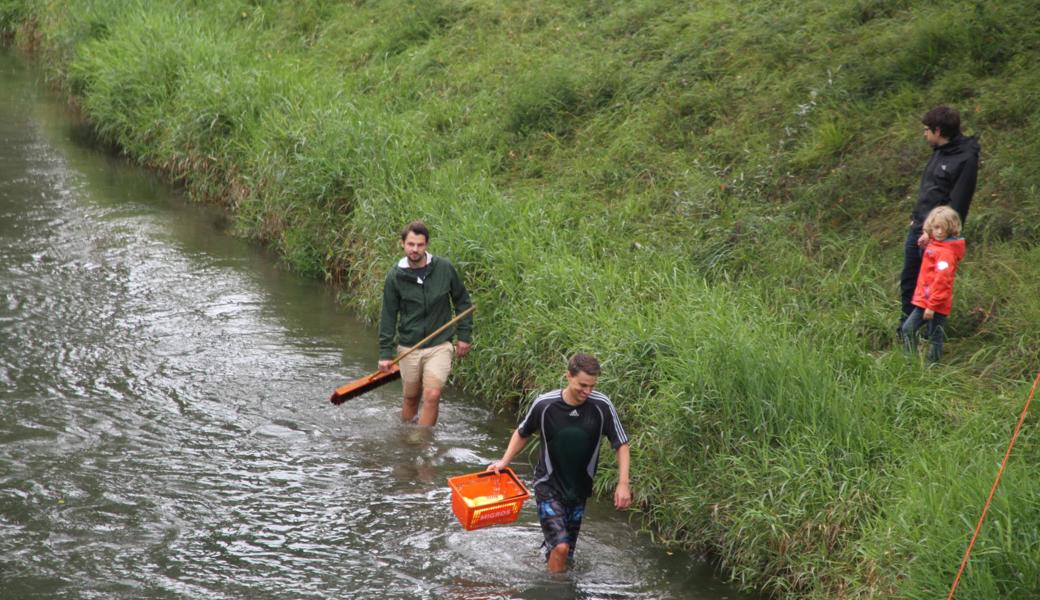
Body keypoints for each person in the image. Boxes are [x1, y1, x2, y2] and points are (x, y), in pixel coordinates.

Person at [487, 353, 631, 573]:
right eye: (582, 385)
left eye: (592, 386)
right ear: (568, 376)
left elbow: (621, 443)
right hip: (548, 486)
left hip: (579, 490)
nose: (588, 391)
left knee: (566, 553)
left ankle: (549, 566)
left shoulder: (601, 406)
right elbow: (522, 432)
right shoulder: (545, 404)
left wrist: (623, 483)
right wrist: (504, 462)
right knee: (562, 548)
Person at [378, 221, 473, 427]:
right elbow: (388, 315)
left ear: (426, 244)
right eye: (411, 244)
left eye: (420, 245)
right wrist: (385, 354)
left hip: (439, 344)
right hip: (409, 346)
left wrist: (464, 336)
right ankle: (406, 441)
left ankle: (421, 444)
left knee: (432, 394)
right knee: (411, 397)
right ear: (402, 244)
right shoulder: (395, 276)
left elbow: (463, 302)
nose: (415, 249)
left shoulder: (444, 268)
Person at [899, 106, 979, 333]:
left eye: (927, 130)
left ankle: (925, 337)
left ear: (938, 130)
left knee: (931, 286)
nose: (924, 134)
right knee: (909, 282)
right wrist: (917, 219)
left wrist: (932, 231)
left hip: (937, 236)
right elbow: (931, 191)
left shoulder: (966, 158)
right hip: (920, 226)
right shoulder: (939, 150)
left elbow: (958, 204)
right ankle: (905, 332)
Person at [900, 206, 965, 363]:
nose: (940, 232)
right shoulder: (936, 245)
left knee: (933, 336)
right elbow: (928, 265)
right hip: (925, 299)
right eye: (936, 227)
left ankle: (928, 367)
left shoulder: (946, 253)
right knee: (913, 330)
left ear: (951, 229)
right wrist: (924, 246)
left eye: (944, 228)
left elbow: (943, 281)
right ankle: (914, 363)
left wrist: (932, 306)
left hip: (934, 302)